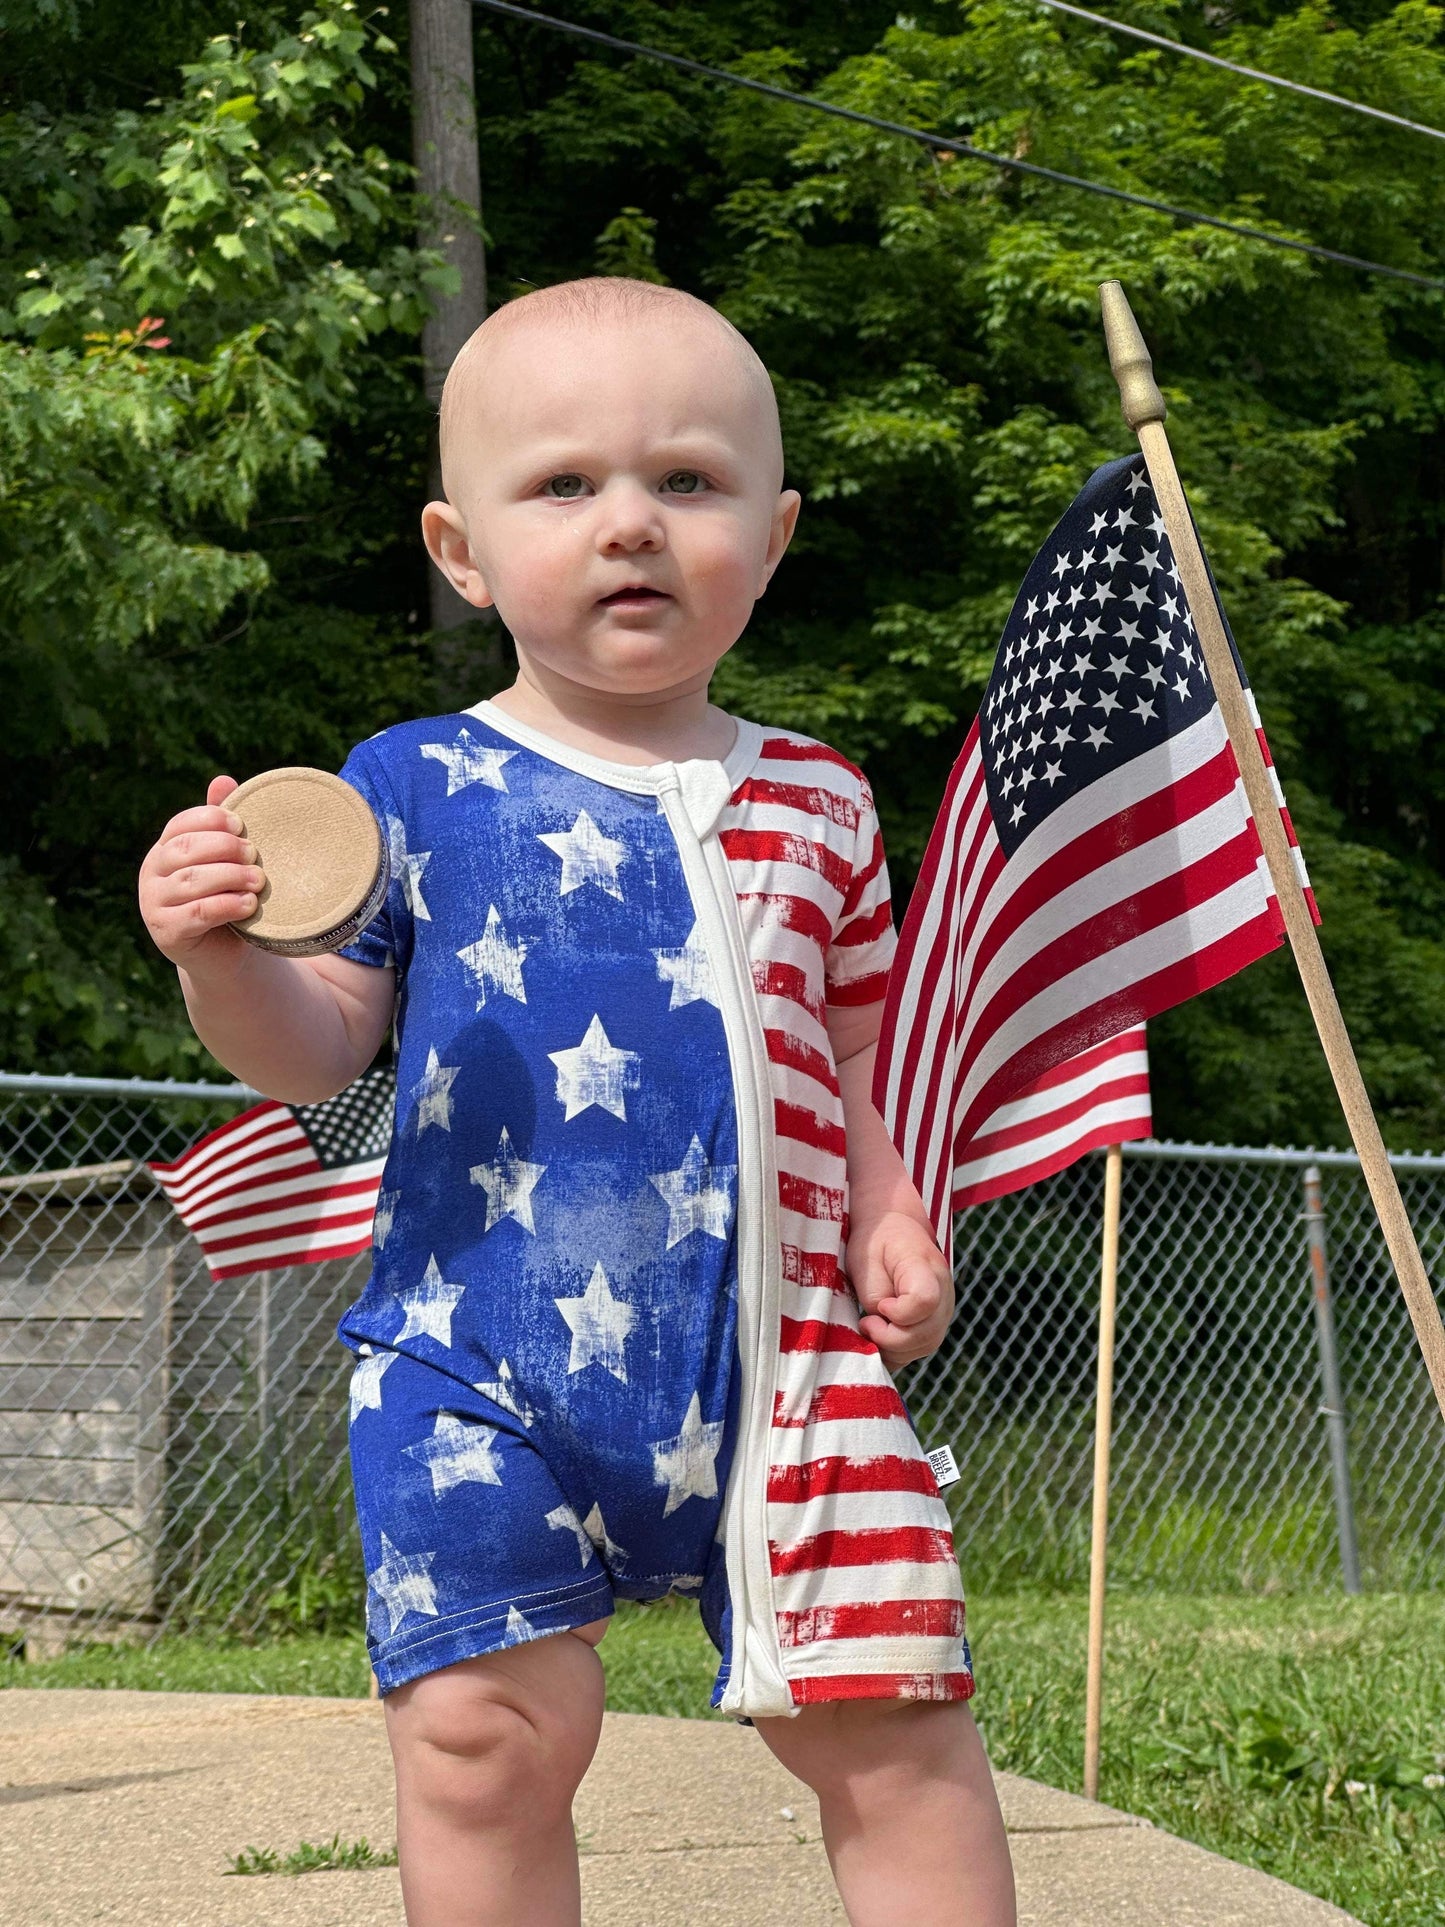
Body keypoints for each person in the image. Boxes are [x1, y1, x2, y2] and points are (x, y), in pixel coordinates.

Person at [137, 277, 1016, 1927]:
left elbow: (855, 1048)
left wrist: (896, 1205)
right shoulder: (411, 782)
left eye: (687, 483)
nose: (631, 525)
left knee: (897, 1729)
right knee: (481, 1740)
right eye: (564, 487)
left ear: (774, 532)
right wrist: (216, 962)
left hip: (795, 1360)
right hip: (478, 1354)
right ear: (461, 554)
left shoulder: (822, 801)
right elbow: (323, 1050)